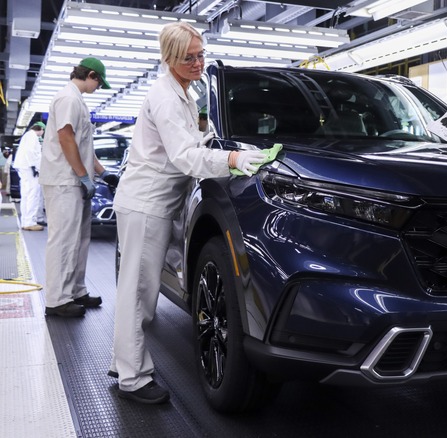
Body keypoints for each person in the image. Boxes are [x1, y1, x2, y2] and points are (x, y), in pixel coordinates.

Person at [110, 21, 269, 405]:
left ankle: (123, 362)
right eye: (189, 57)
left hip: (157, 203)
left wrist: (211, 138)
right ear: (169, 58)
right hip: (146, 204)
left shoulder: (181, 90)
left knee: (138, 289)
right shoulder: (165, 97)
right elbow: (183, 157)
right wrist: (231, 157)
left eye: (201, 54)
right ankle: (132, 378)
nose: (199, 62)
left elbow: (187, 140)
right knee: (139, 293)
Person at [40, 57, 119, 319]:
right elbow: (65, 137)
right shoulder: (68, 99)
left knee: (80, 239)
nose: (99, 88)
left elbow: (83, 146)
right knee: (63, 240)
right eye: (99, 83)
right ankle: (56, 300)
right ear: (92, 75)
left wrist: (103, 174)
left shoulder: (78, 101)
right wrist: (83, 176)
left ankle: (76, 290)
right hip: (64, 181)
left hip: (75, 181)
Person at [13, 121, 46, 231]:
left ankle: (25, 221)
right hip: (29, 168)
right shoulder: (32, 136)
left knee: (26, 195)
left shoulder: (27, 135)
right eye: (43, 130)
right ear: (40, 129)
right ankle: (30, 222)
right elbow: (31, 153)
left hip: (24, 168)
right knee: (33, 194)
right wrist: (35, 167)